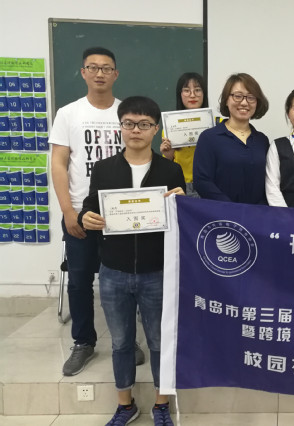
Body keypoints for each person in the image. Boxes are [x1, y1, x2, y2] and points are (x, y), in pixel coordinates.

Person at [79, 96, 185, 426]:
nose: (135, 130)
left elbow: (182, 221)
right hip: (113, 271)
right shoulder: (104, 169)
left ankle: (161, 404)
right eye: (129, 123)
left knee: (159, 342)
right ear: (120, 127)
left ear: (155, 129)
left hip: (157, 271)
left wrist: (184, 204)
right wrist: (85, 217)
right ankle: (125, 405)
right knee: (121, 342)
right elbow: (90, 205)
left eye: (144, 124)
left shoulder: (170, 169)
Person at [50, 47, 144, 376]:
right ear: (83, 72)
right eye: (93, 67)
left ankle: (126, 340)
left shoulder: (128, 113)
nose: (100, 73)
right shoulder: (68, 113)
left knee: (125, 281)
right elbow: (58, 164)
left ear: (116, 74)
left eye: (106, 68)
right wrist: (68, 211)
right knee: (79, 280)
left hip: (122, 215)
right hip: (81, 212)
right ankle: (83, 342)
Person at [193, 73, 270, 203]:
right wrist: (231, 208)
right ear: (226, 100)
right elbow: (202, 181)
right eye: (238, 96)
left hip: (257, 213)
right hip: (222, 213)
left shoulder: (262, 140)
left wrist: (259, 209)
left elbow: (268, 182)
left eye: (251, 97)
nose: (244, 102)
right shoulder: (209, 138)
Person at [160, 72, 208, 197]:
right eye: (186, 90)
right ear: (180, 94)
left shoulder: (215, 125)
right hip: (180, 186)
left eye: (197, 90)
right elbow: (167, 165)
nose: (192, 95)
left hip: (208, 184)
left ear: (204, 93)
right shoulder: (170, 126)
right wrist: (168, 155)